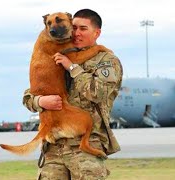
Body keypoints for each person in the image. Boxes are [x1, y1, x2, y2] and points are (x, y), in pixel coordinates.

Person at [23, 9, 123, 180]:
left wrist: (72, 68)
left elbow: (98, 93)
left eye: (83, 29)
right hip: (53, 148)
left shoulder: (106, 60)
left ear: (96, 32)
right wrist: (41, 101)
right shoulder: (58, 55)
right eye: (74, 27)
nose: (76, 33)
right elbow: (28, 97)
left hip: (84, 147)